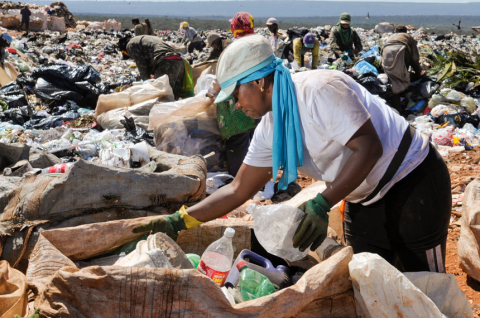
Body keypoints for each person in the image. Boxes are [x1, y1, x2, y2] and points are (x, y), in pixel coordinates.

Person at [133, 35, 451, 274]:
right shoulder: (271, 127)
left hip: (413, 185)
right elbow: (237, 189)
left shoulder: (319, 89)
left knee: (422, 287)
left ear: (258, 82)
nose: (235, 106)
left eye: (236, 95)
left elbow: (369, 148)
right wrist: (180, 220)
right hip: (363, 198)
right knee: (369, 281)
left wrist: (322, 201)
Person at [119, 35, 185, 100]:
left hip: (166, 62)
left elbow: (142, 65)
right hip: (179, 61)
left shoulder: (130, 45)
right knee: (175, 97)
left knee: (160, 96)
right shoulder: (141, 39)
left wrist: (147, 83)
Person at [382, 24, 423, 115]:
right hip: (400, 51)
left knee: (393, 79)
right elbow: (414, 59)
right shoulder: (408, 37)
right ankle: (399, 108)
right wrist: (418, 73)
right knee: (401, 78)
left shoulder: (390, 37)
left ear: (396, 31)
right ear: (405, 31)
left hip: (386, 53)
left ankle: (394, 105)